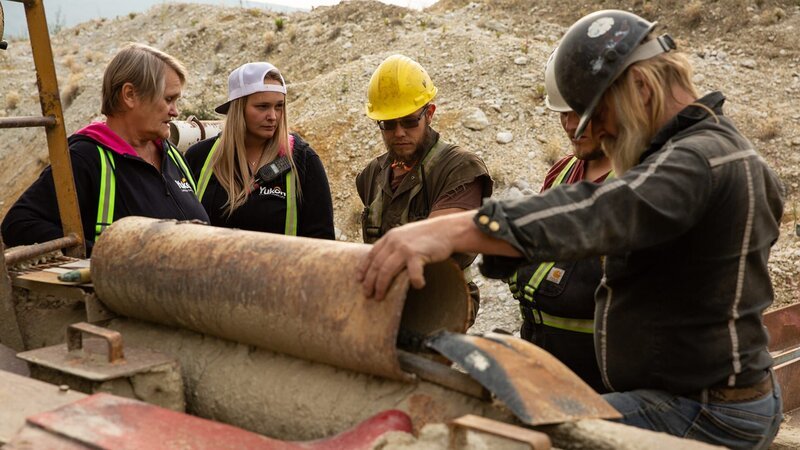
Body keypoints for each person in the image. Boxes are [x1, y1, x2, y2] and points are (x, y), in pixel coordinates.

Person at [357, 10, 784, 450]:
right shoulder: (703, 152)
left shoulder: (703, 160)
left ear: (640, 86)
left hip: (706, 410)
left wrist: (451, 231)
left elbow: (601, 211)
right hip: (684, 396)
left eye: (597, 115)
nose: (597, 133)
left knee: (515, 439)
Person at [1, 43, 208, 255]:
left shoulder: (172, 156)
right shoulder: (86, 157)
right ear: (129, 95)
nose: (175, 111)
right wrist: (101, 257)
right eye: (168, 99)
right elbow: (19, 223)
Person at [356, 54, 493, 322]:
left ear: (429, 114)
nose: (398, 133)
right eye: (388, 124)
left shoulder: (460, 169)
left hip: (441, 301)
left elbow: (434, 241)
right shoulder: (371, 175)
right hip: (383, 301)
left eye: (409, 121)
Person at [506, 50, 612, 393]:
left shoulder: (639, 183)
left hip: (603, 382)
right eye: (563, 113)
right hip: (544, 366)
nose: (570, 125)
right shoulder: (563, 170)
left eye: (580, 111)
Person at [185, 62, 334, 239]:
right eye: (262, 107)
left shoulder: (302, 160)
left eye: (279, 106)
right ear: (238, 109)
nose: (273, 116)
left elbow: (322, 239)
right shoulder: (200, 157)